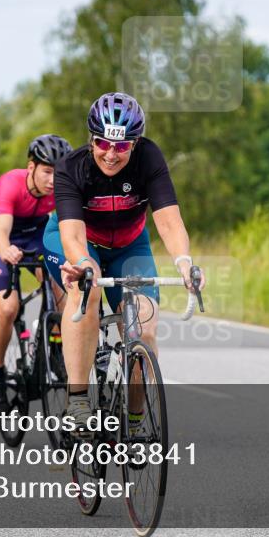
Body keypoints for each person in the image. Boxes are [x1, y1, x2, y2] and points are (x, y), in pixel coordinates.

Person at [43, 92, 204, 434]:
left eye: (122, 146)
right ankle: (77, 400)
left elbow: (170, 222)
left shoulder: (149, 157)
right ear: (92, 139)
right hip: (77, 240)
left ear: (136, 143)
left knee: (144, 327)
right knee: (87, 291)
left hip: (131, 245)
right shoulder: (71, 168)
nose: (111, 154)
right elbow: (72, 235)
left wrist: (184, 263)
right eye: (103, 143)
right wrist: (84, 265)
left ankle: (134, 420)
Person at [0, 134, 72, 414]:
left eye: (58, 173)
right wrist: (5, 250)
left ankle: (56, 345)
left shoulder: (61, 189)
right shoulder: (10, 183)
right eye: (47, 171)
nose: (52, 180)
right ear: (31, 167)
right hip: (3, 238)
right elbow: (0, 232)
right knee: (8, 308)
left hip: (37, 236)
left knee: (61, 283)